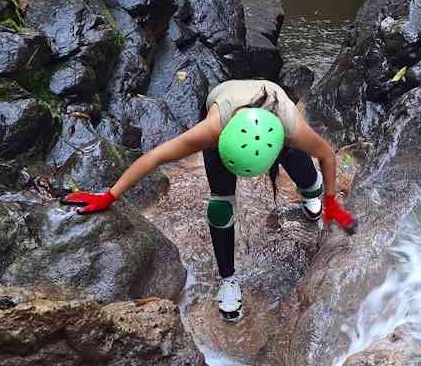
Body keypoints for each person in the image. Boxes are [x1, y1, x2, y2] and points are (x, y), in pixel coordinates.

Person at [62, 79, 356, 322]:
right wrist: (109, 195)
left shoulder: (291, 126)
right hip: (228, 112)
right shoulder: (212, 131)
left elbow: (327, 155)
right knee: (220, 208)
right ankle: (228, 280)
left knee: (301, 167)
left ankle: (310, 189)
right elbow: (154, 157)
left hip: (272, 123)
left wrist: (330, 200)